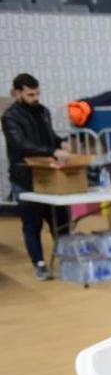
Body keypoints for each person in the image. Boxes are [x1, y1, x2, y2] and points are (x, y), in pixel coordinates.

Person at [1, 73, 70, 281]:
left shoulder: (43, 112)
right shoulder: (10, 117)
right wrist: (52, 151)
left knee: (60, 218)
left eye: (38, 93)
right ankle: (39, 264)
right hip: (24, 177)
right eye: (31, 94)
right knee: (32, 222)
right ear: (17, 93)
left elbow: (49, 136)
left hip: (48, 175)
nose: (36, 98)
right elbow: (21, 144)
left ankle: (67, 257)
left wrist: (61, 143)